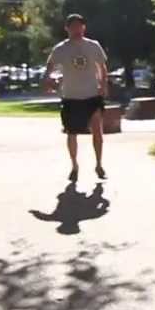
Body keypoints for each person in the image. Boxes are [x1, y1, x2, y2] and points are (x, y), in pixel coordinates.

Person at [42, 14, 109, 183]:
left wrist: (103, 85)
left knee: (97, 130)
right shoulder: (61, 49)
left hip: (92, 94)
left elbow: (102, 67)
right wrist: (48, 79)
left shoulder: (93, 46)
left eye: (79, 26)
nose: (77, 30)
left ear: (84, 27)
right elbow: (50, 66)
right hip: (71, 96)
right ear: (67, 29)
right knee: (71, 133)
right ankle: (74, 166)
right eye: (73, 27)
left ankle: (99, 165)